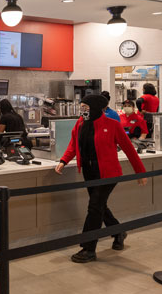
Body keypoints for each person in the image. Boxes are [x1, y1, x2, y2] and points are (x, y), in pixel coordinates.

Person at [54, 94, 147, 263]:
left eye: (86, 108)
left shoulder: (112, 125)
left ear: (95, 108)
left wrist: (140, 172)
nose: (83, 110)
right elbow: (73, 145)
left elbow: (129, 149)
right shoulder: (80, 123)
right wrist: (63, 161)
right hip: (90, 171)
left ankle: (88, 249)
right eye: (82, 107)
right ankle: (118, 232)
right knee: (99, 206)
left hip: (108, 173)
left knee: (94, 207)